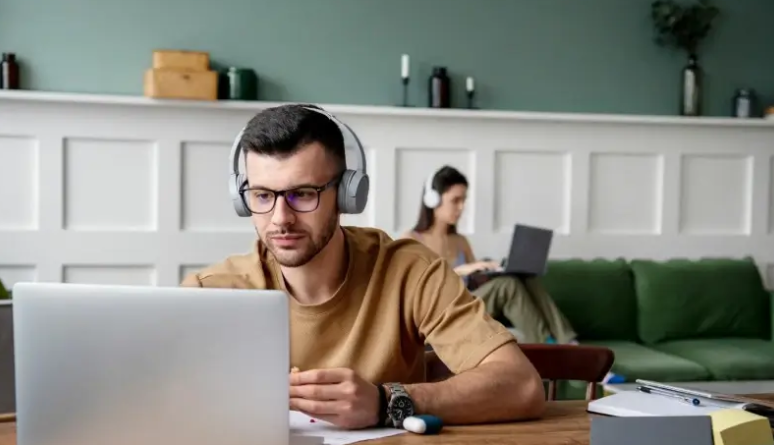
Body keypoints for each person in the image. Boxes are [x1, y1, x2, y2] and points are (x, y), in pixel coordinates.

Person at [180, 104, 545, 431]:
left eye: (302, 194)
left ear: (346, 195)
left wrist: (386, 402)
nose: (280, 219)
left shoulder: (410, 271)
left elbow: (522, 385)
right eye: (262, 195)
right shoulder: (208, 293)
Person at [402, 165, 578, 345]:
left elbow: (474, 282)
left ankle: (568, 341)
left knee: (523, 277)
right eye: (455, 200)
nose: (461, 207)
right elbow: (412, 291)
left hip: (469, 303)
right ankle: (549, 344)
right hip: (441, 313)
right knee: (507, 286)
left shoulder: (460, 241)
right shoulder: (411, 240)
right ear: (433, 200)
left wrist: (493, 270)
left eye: (464, 200)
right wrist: (460, 270)